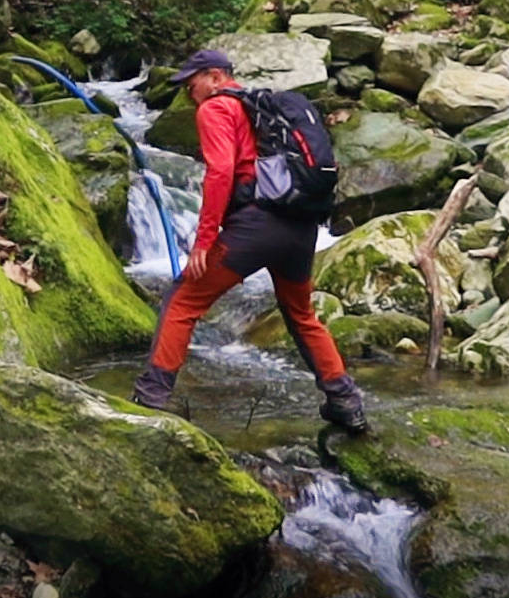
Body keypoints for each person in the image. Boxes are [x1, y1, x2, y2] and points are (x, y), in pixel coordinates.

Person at [132, 49, 367, 432]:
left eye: (192, 83)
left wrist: (204, 241)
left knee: (183, 299)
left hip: (257, 226)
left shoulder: (216, 109)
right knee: (301, 315)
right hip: (301, 227)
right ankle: (345, 399)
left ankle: (150, 398)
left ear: (214, 77)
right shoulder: (265, 111)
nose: (189, 93)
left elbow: (221, 171)